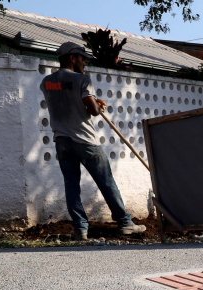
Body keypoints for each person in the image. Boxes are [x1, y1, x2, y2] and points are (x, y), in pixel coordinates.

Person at [39, 42, 146, 240]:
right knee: (106, 181)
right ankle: (124, 222)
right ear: (72, 58)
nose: (85, 62)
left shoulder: (46, 82)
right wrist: (97, 105)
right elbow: (94, 111)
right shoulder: (82, 80)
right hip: (85, 140)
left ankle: (80, 228)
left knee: (71, 185)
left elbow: (63, 101)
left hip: (62, 141)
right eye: (82, 58)